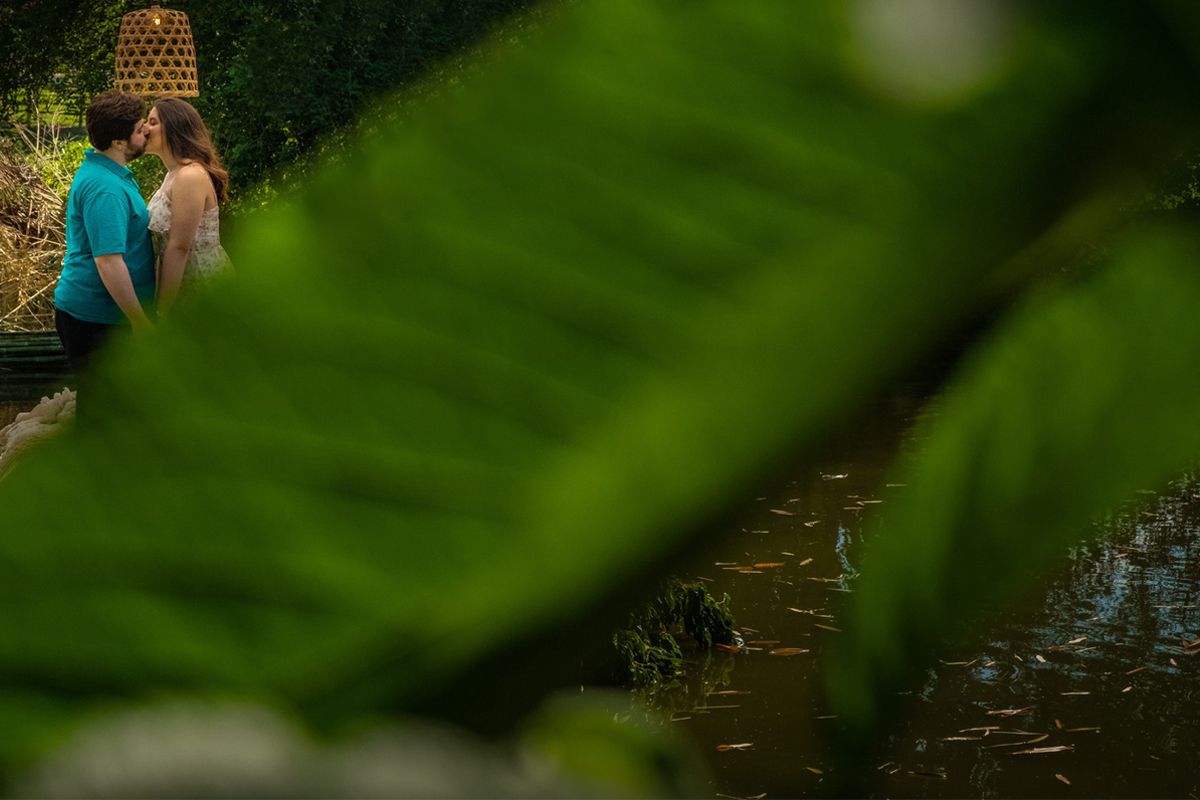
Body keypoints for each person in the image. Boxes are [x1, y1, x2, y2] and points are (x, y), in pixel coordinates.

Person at [53, 90, 156, 374]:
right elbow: (108, 262)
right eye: (139, 128)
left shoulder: (108, 173)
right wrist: (140, 321)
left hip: (105, 317)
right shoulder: (105, 189)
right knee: (103, 412)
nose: (147, 130)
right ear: (118, 141)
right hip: (97, 319)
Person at [143, 97, 231, 315]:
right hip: (183, 283)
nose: (145, 129)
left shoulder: (189, 176)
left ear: (174, 127)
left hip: (199, 285)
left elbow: (178, 248)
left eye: (153, 122)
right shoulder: (174, 174)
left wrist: (162, 312)